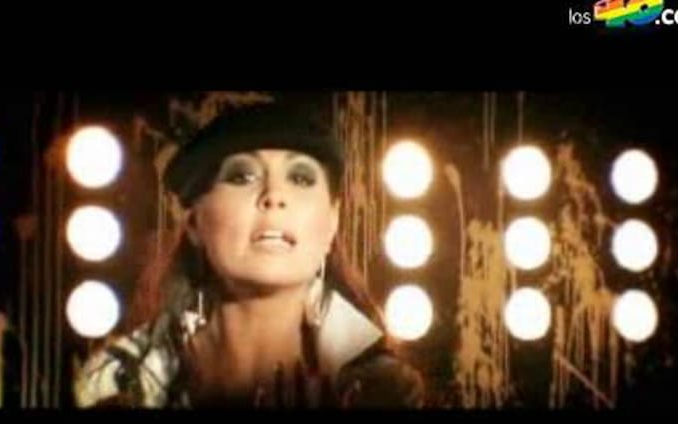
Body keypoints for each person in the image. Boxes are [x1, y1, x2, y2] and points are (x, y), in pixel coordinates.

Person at [73, 97, 425, 408]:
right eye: (242, 176)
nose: (274, 195)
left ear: (333, 221)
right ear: (194, 221)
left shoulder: (386, 391)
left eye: (301, 178)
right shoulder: (115, 383)